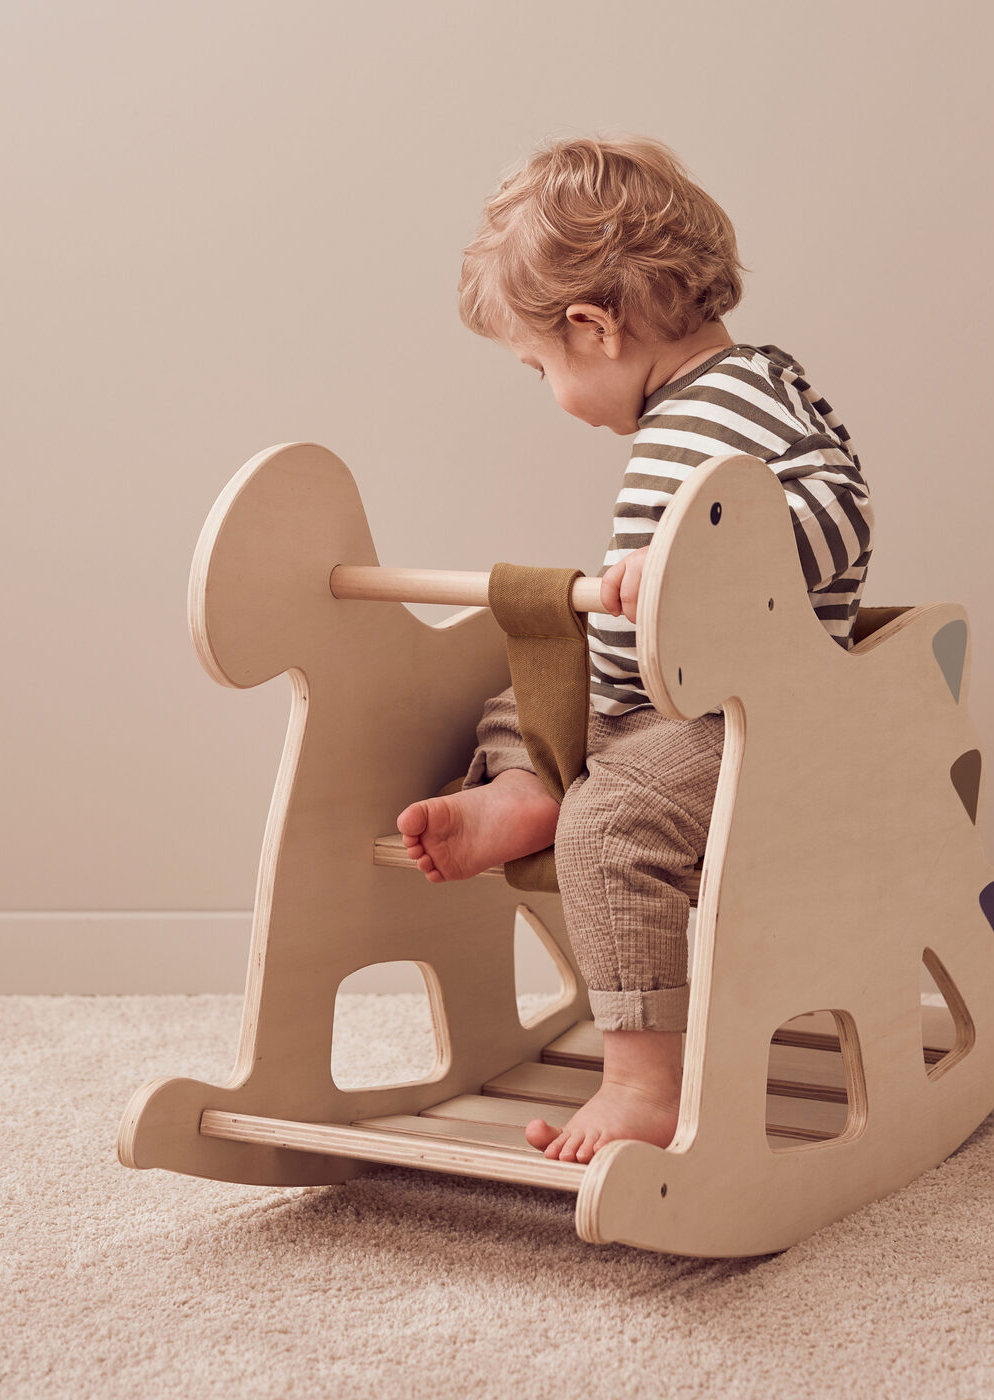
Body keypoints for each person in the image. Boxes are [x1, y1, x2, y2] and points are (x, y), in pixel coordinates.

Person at [396, 134, 874, 1163]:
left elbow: (840, 508)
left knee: (613, 824)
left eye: (539, 368)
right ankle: (527, 783)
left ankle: (641, 1082)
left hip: (741, 721)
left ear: (592, 328)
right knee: (516, 697)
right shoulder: (681, 412)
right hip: (647, 699)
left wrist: (686, 573)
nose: (548, 390)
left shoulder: (743, 393)